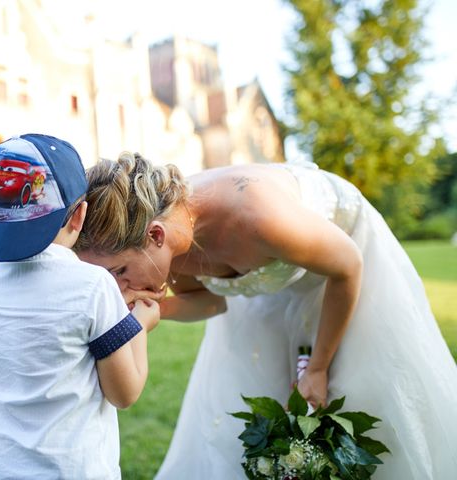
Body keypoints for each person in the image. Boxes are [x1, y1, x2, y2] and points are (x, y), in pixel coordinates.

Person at [74, 152, 457, 479]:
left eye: (119, 272)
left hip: (340, 274)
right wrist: (159, 309)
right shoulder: (170, 239)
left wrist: (318, 368)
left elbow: (347, 267)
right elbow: (213, 303)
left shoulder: (256, 214)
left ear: (156, 237)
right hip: (271, 294)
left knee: (357, 396)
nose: (120, 289)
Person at [0, 134, 159, 479]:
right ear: (79, 216)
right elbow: (124, 392)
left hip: (5, 470)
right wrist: (141, 327)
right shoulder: (93, 285)